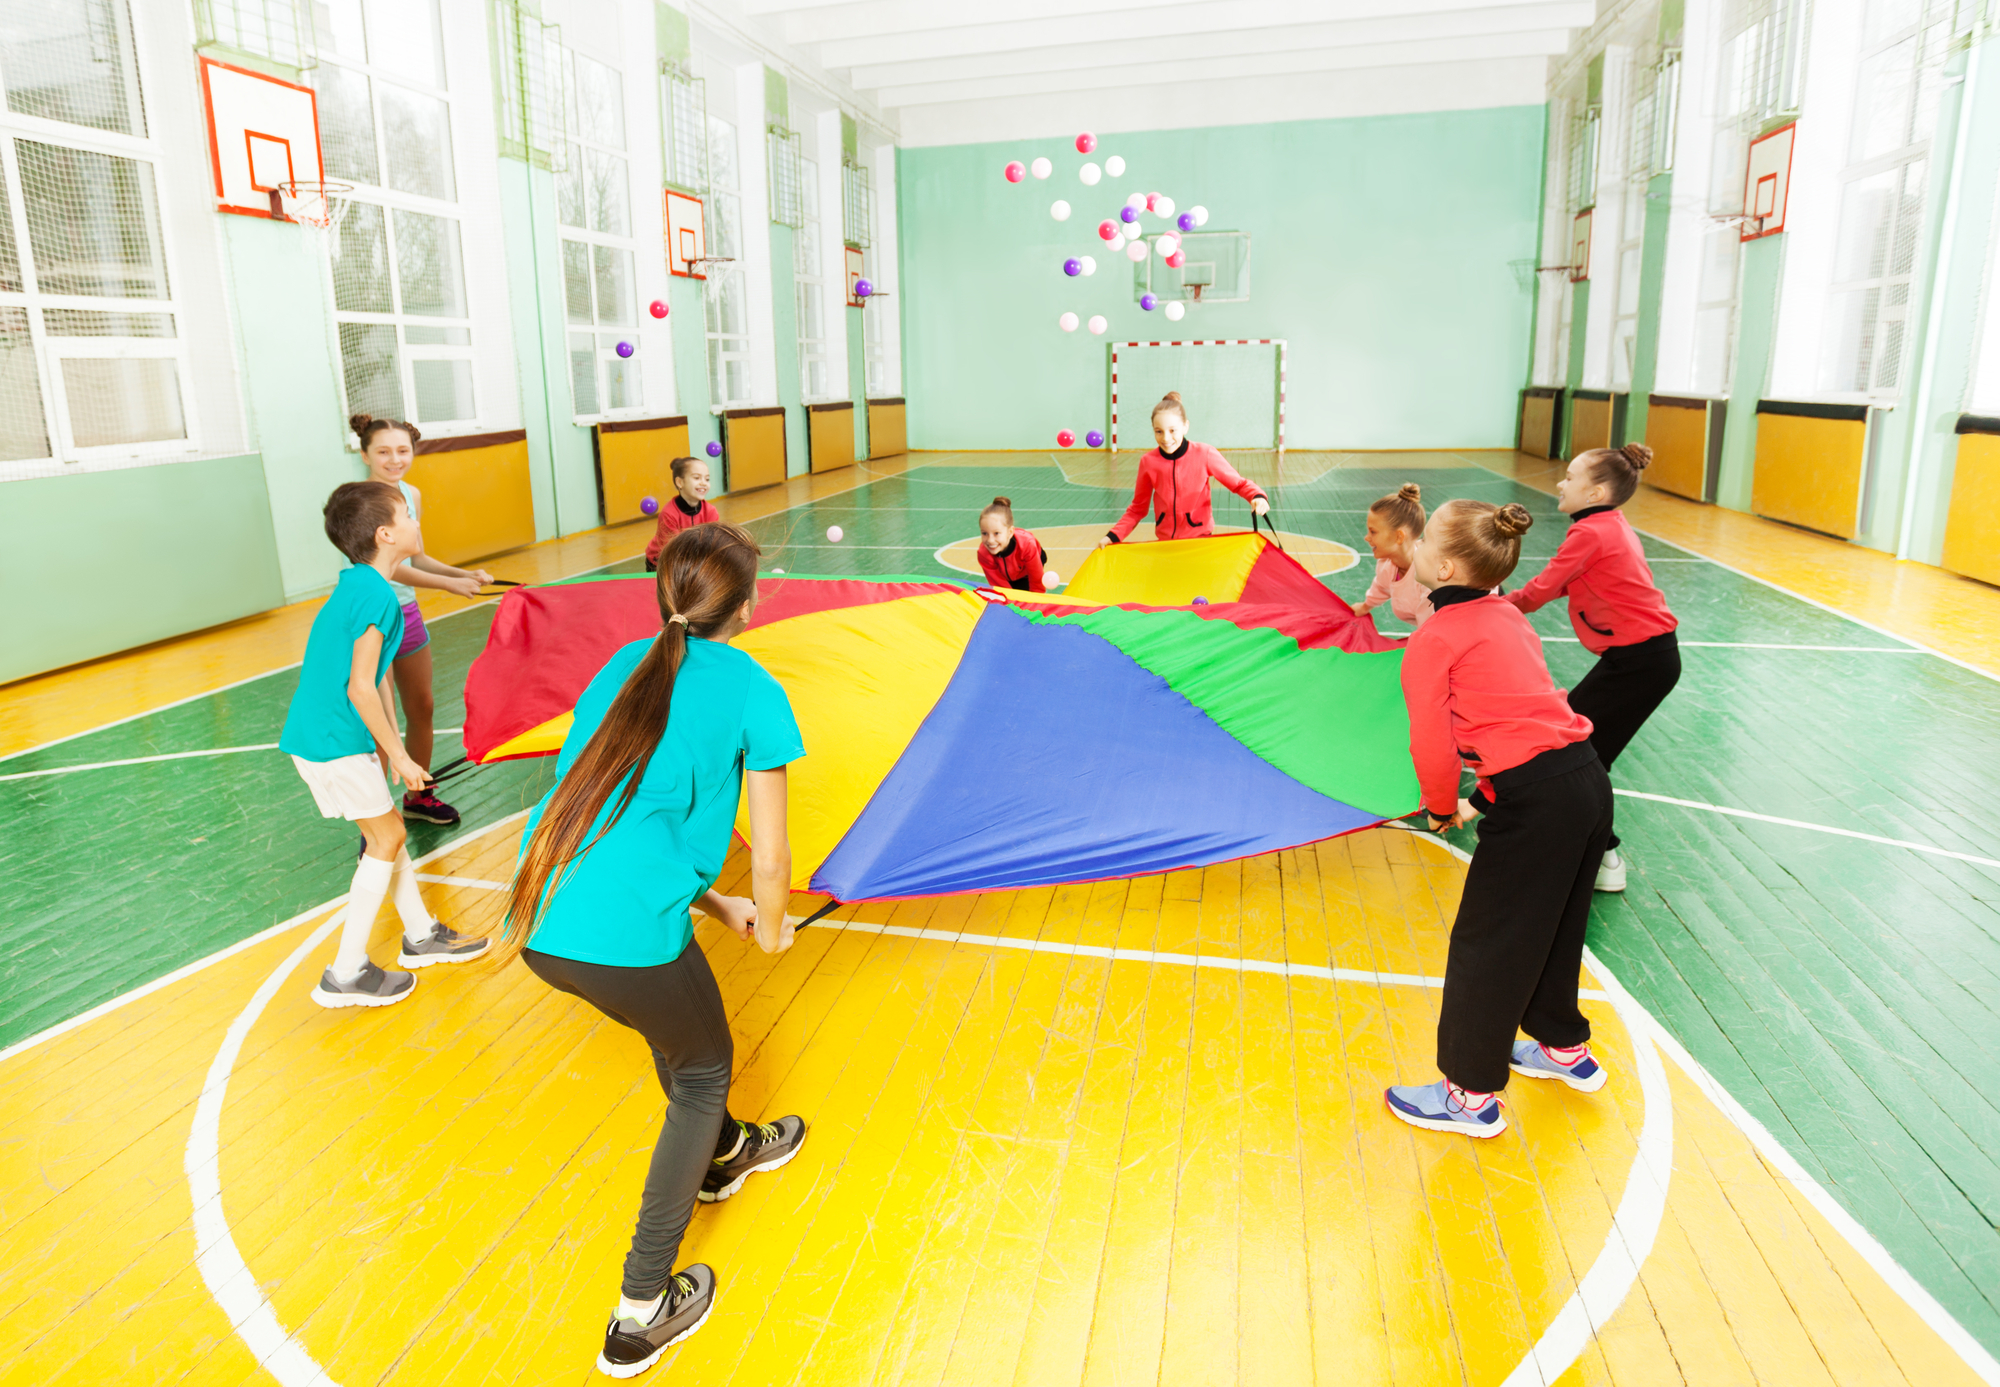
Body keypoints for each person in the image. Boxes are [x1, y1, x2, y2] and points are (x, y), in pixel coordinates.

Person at [493, 522, 808, 1378]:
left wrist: (717, 902)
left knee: (684, 1030)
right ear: (747, 605)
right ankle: (639, 1311)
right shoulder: (752, 688)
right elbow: (774, 857)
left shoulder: (627, 663)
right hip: (619, 932)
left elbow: (624, 815)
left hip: (545, 920)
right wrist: (772, 923)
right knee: (702, 1066)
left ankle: (729, 1149)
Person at [1384, 500, 1614, 1139]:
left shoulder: (1435, 636)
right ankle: (1562, 1047)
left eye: (1427, 537)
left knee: (1490, 942)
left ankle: (1469, 1096)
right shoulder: (1505, 615)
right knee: (1557, 926)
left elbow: (1432, 743)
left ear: (1448, 566)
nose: (1419, 543)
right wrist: (1481, 800)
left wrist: (1437, 805)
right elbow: (1523, 713)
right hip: (1585, 781)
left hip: (1539, 804)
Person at [280, 482, 489, 1009]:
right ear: (386, 533)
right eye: (407, 514)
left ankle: (420, 938)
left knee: (388, 835)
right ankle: (345, 973)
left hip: (333, 735)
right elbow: (359, 686)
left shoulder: (361, 583)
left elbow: (370, 683)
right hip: (331, 739)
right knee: (387, 836)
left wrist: (387, 746)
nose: (416, 521)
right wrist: (397, 754)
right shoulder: (377, 594)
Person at [1505, 443, 1679, 893]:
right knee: (1579, 753)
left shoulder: (1591, 533)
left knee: (1579, 757)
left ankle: (1604, 856)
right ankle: (1598, 853)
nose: (1560, 483)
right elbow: (1572, 584)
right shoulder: (1606, 524)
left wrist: (1487, 608)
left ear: (1597, 491)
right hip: (1642, 660)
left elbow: (1544, 588)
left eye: (1570, 476)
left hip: (1641, 663)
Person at [352, 413, 494, 827]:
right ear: (364, 455)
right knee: (382, 719)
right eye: (383, 452)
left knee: (423, 707)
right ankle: (379, 817)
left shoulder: (410, 493)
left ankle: (420, 796)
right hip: (373, 618)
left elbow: (417, 558)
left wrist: (463, 574)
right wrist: (447, 587)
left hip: (408, 614)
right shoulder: (360, 503)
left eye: (402, 450)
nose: (394, 459)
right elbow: (389, 569)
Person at [1095, 391, 1270, 547]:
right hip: (1166, 544)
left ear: (1185, 426)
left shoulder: (1205, 453)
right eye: (1159, 431)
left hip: (1199, 541)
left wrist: (1257, 496)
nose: (1166, 438)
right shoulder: (1148, 462)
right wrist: (1113, 536)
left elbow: (1238, 484)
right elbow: (1137, 509)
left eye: (1173, 430)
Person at [1354, 483, 1433, 629]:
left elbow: (1431, 627)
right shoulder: (1387, 565)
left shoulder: (1428, 577)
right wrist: (1365, 607)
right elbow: (1381, 586)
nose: (1367, 537)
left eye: (1373, 532)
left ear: (1399, 537)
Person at [644, 456, 719, 573]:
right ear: (680, 482)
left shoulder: (711, 511)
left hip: (691, 560)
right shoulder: (668, 514)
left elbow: (712, 542)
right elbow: (673, 551)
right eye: (697, 478)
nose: (703, 483)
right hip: (662, 561)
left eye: (707, 479)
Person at [975, 496, 1049, 592]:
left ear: (1010, 532)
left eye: (996, 533)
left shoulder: (1027, 545)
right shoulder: (983, 554)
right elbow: (1000, 587)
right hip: (1008, 572)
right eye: (984, 533)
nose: (990, 540)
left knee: (1025, 593)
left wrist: (1037, 601)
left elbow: (1036, 580)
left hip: (1028, 567)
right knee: (1011, 593)